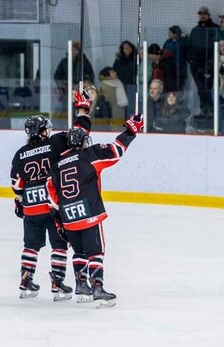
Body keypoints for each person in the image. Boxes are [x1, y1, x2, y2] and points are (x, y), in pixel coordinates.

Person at [47, 114, 144, 307]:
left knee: (79, 252)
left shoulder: (56, 165)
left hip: (68, 217)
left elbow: (52, 196)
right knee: (96, 252)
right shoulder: (89, 155)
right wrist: (131, 130)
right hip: (89, 213)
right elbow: (116, 150)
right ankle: (97, 286)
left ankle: (81, 285)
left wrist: (59, 222)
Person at [10, 115, 74, 300]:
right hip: (52, 206)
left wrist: (21, 199)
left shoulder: (20, 153)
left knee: (31, 245)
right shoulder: (54, 144)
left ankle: (26, 281)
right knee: (59, 245)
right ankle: (57, 284)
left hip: (31, 207)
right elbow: (76, 136)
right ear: (42, 131)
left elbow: (16, 185)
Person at [188, 7, 220, 117]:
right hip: (195, 64)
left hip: (208, 64)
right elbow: (189, 45)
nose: (202, 16)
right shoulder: (195, 30)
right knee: (200, 89)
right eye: (200, 13)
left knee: (207, 88)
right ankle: (204, 110)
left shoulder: (215, 29)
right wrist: (190, 60)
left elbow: (216, 47)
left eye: (205, 14)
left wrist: (210, 64)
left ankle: (211, 110)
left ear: (208, 15)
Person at [162, 25, 188, 93]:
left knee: (179, 86)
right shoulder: (167, 42)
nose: (169, 34)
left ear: (175, 34)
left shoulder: (181, 42)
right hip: (169, 69)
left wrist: (184, 38)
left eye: (170, 33)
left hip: (179, 69)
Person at [113, 40, 138, 107]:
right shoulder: (118, 60)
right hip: (121, 86)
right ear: (122, 49)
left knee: (131, 104)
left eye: (129, 47)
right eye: (126, 48)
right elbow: (114, 71)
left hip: (132, 86)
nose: (128, 49)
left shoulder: (135, 59)